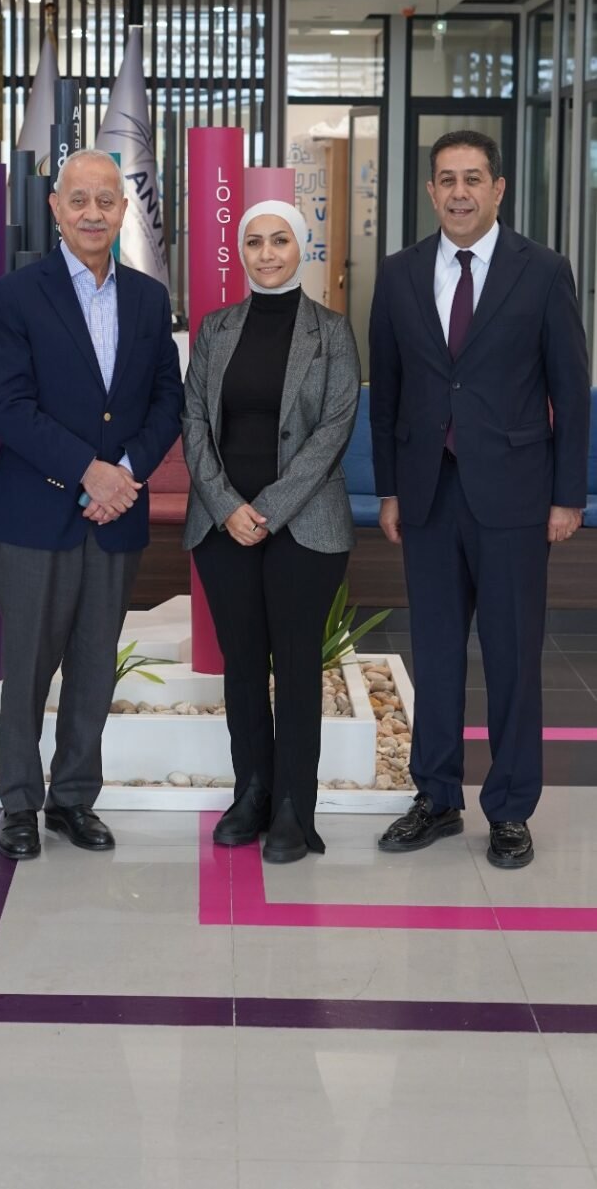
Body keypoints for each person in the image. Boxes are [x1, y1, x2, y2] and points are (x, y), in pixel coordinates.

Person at [370, 129, 590, 870]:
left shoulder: (543, 271)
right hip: (428, 493)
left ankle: (510, 807)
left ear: (498, 189)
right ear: (430, 191)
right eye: (446, 179)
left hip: (516, 497)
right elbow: (387, 393)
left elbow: (571, 392)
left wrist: (568, 495)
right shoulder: (399, 274)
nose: (458, 192)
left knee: (512, 657)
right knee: (433, 653)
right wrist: (390, 488)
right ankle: (435, 797)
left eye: (472, 178)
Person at [0, 148, 183, 861]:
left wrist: (122, 474)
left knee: (95, 665)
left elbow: (167, 400)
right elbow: (8, 407)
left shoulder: (149, 298)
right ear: (55, 208)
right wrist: (88, 472)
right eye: (79, 200)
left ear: (124, 210)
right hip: (35, 514)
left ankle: (73, 799)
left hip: (116, 512)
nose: (93, 212)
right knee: (27, 669)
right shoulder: (14, 296)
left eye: (106, 200)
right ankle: (19, 804)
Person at [183, 200, 361, 864]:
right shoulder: (216, 327)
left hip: (305, 526)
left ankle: (293, 807)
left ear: (301, 247)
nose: (266, 253)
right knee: (243, 666)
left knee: (296, 665)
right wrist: (228, 505)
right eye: (254, 241)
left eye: (279, 240)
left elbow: (334, 430)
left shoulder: (332, 331)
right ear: (241, 250)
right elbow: (194, 422)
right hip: (223, 524)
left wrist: (268, 508)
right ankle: (252, 792)